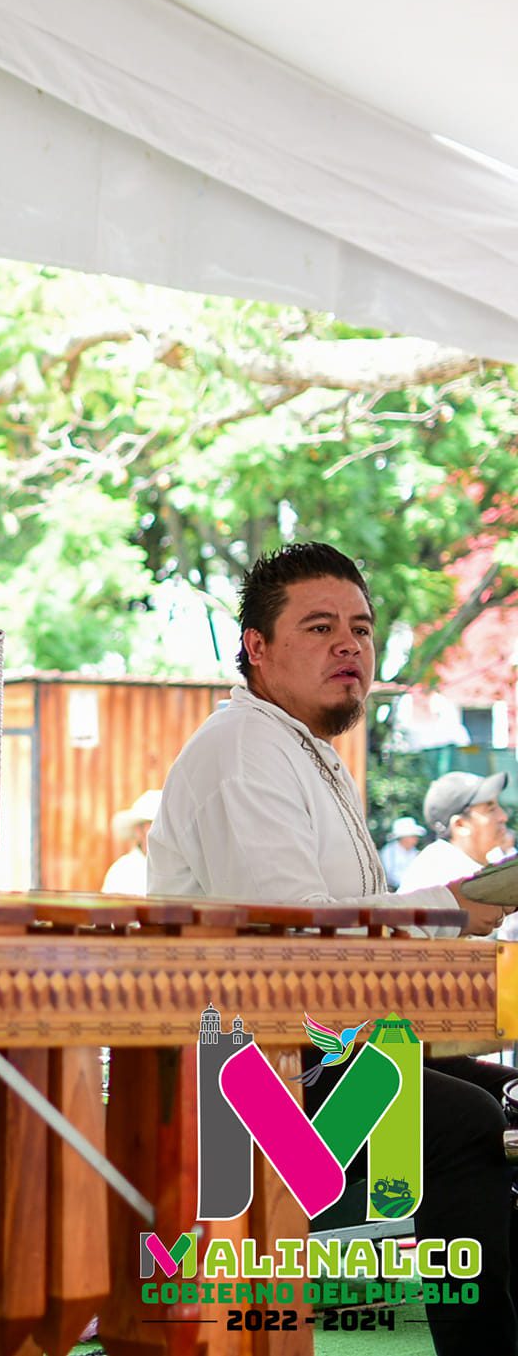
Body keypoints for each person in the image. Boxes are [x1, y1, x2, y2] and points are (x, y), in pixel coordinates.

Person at [145, 542, 518, 1356]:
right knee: (471, 1121)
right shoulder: (245, 750)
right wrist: (448, 909)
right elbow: (297, 942)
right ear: (258, 646)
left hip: (304, 1053)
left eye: (360, 628)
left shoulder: (300, 748)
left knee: (504, 1093)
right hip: (245, 1078)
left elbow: (337, 938)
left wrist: (448, 923)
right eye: (320, 627)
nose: (349, 645)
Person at [400, 774, 512, 890]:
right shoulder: (439, 875)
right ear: (460, 825)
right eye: (491, 809)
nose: (503, 817)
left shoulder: (491, 858)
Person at [101, 790, 161, 894]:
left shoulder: (182, 868)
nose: (162, 831)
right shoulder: (121, 872)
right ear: (139, 831)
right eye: (154, 824)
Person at [381, 814, 427, 889]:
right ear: (404, 838)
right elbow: (390, 875)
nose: (416, 839)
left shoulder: (414, 852)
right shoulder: (389, 852)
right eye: (413, 836)